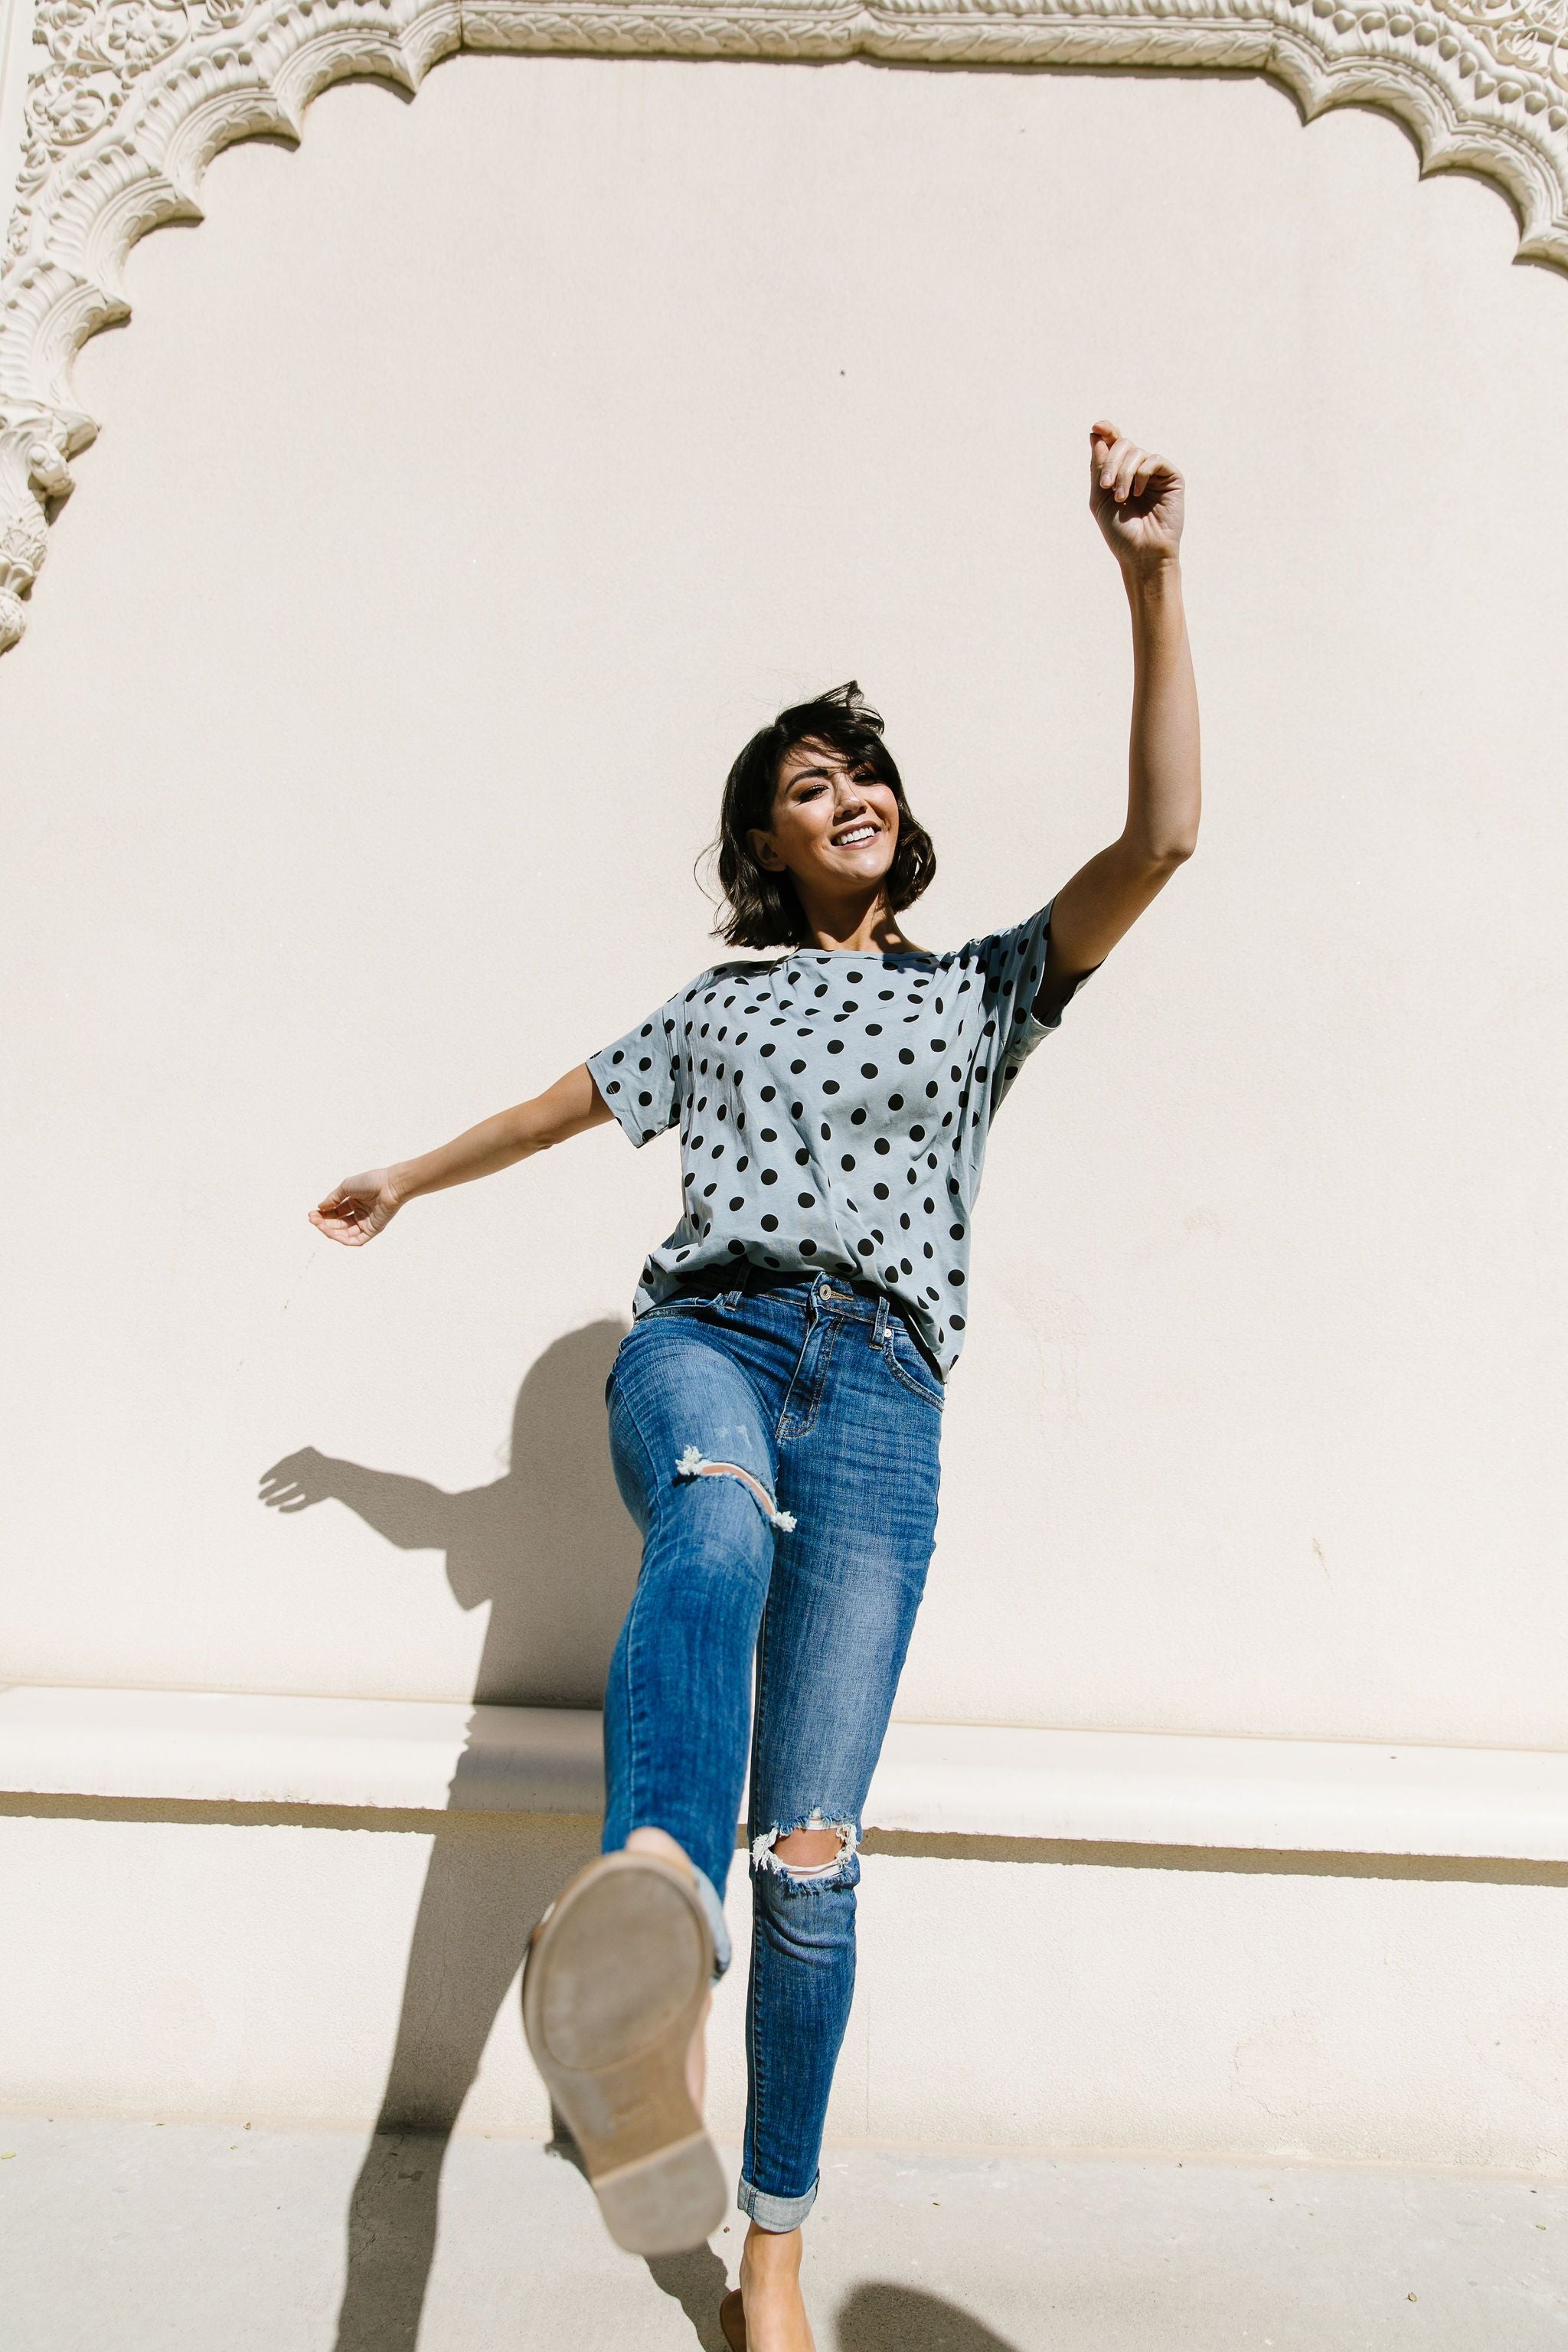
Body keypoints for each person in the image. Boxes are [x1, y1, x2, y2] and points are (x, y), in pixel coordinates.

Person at [308, 420, 1200, 2351]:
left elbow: (1161, 843)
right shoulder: (713, 1005)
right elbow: (559, 1107)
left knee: (813, 1854)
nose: (850, 791)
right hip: (704, 1344)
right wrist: (406, 1171)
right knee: (704, 1524)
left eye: (865, 770)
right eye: (811, 783)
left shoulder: (978, 993)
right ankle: (643, 1897)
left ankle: (771, 2246)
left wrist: (1147, 581)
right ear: (767, 841)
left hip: (880, 1400)